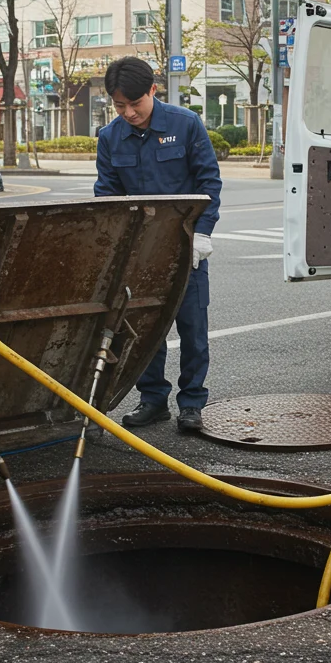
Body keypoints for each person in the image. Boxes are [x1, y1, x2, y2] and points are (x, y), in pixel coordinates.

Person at [94, 56, 221, 432]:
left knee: (192, 327)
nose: (129, 112)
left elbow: (208, 182)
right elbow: (107, 197)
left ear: (153, 90)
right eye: (120, 105)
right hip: (140, 252)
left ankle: (192, 403)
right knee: (144, 331)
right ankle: (153, 400)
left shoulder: (186, 125)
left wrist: (203, 232)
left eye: (135, 103)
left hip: (185, 247)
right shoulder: (110, 137)